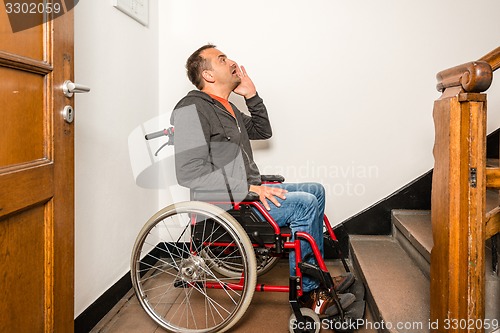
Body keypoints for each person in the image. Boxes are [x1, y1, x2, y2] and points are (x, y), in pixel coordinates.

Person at [170, 44, 354, 316]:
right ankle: (309, 293)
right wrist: (248, 188)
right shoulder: (191, 109)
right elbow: (188, 172)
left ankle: (317, 277)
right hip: (227, 206)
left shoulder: (227, 107)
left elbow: (262, 130)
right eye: (222, 59)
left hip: (248, 193)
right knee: (303, 204)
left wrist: (252, 95)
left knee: (316, 190)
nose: (232, 61)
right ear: (208, 75)